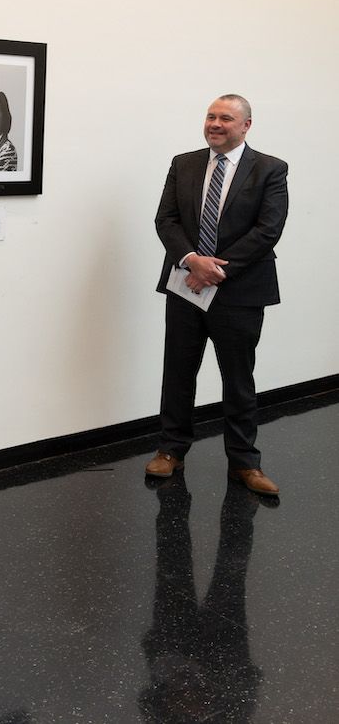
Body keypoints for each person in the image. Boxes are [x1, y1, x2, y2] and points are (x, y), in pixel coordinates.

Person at [145, 94, 288, 496]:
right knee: (178, 372)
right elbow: (166, 219)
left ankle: (245, 463)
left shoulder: (270, 169)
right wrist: (193, 261)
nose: (215, 124)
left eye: (226, 118)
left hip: (240, 292)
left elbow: (267, 230)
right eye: (211, 116)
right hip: (186, 287)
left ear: (246, 125)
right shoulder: (183, 163)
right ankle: (170, 451)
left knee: (238, 378)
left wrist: (213, 270)